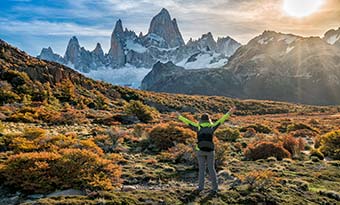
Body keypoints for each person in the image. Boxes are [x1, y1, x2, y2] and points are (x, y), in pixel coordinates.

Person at [178, 107, 236, 195]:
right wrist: (229, 112)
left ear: (201, 120)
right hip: (210, 151)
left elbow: (188, 122)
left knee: (201, 169)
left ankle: (200, 187)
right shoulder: (212, 127)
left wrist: (179, 116)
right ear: (209, 120)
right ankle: (215, 188)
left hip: (200, 150)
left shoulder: (198, 127)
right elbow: (222, 120)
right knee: (211, 169)